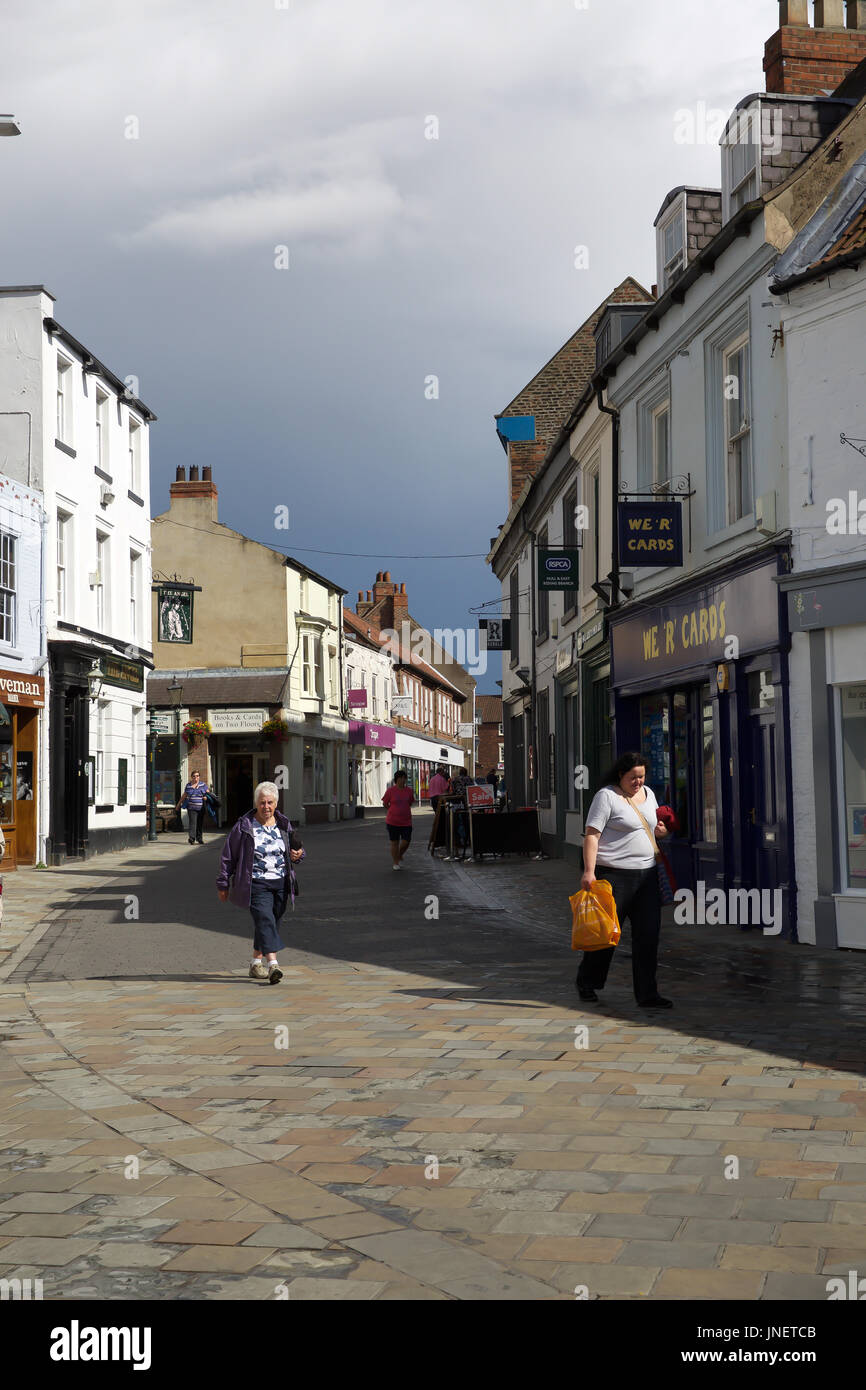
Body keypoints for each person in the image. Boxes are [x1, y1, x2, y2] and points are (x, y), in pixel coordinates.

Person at [575, 751, 672, 1010]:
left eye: (641, 776)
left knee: (648, 936)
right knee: (606, 936)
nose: (638, 782)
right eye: (633, 777)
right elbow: (592, 835)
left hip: (647, 876)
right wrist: (589, 871)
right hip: (614, 877)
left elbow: (650, 829)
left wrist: (660, 833)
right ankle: (587, 982)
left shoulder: (649, 794)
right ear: (621, 774)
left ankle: (647, 994)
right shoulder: (606, 797)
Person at [216, 781, 305, 984]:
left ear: (276, 804)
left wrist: (298, 854)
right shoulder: (244, 826)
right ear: (256, 803)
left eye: (270, 802)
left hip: (282, 883)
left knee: (270, 923)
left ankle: (255, 963)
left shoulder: (284, 824)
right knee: (265, 920)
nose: (266, 806)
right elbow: (228, 856)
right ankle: (273, 964)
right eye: (262, 802)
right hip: (255, 883)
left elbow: (298, 851)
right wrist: (223, 884)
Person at [382, 769, 415, 870]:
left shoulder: (409, 791)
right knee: (394, 842)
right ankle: (396, 862)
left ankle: (399, 854)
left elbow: (410, 802)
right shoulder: (390, 791)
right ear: (396, 779)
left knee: (406, 841)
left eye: (404, 778)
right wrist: (391, 810)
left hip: (406, 821)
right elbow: (385, 803)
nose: (403, 780)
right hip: (393, 821)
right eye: (400, 778)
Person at [176, 769, 210, 844]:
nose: (196, 778)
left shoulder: (203, 785)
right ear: (192, 777)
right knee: (192, 823)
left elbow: (208, 795)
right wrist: (178, 805)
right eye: (194, 776)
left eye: (197, 776)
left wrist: (206, 798)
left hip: (201, 808)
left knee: (199, 823)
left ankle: (199, 838)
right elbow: (184, 796)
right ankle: (192, 838)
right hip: (191, 808)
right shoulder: (188, 785)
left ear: (199, 777)